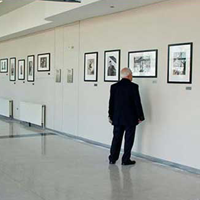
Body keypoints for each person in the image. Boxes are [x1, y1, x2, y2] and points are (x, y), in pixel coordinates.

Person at [108, 68, 145, 165]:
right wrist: (140, 116)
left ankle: (112, 158)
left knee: (116, 138)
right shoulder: (134, 87)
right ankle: (125, 160)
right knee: (128, 139)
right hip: (130, 118)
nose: (132, 76)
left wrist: (110, 116)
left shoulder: (114, 87)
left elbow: (111, 103)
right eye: (132, 75)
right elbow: (137, 103)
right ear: (128, 76)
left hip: (117, 118)